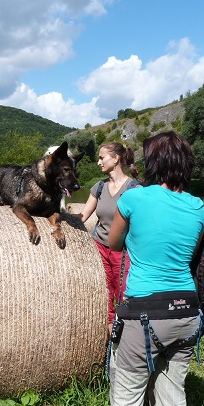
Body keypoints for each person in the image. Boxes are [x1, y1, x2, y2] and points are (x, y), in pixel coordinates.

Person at [107, 131, 204, 406]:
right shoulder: (197, 206)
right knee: (173, 398)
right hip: (188, 313)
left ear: (152, 163)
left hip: (145, 316)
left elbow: (114, 243)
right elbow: (189, 256)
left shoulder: (135, 198)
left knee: (126, 397)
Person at [77, 142, 139, 333]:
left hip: (125, 252)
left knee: (124, 293)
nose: (98, 162)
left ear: (116, 158)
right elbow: (82, 217)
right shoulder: (100, 187)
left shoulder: (134, 188)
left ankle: (126, 335)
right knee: (105, 295)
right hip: (100, 248)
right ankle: (108, 338)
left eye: (102, 157)